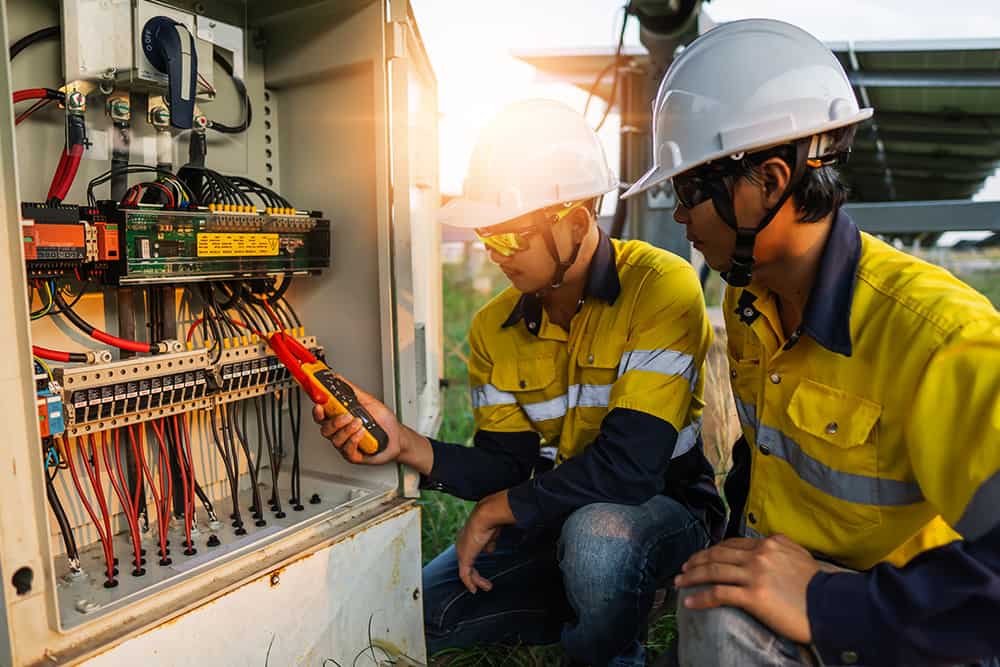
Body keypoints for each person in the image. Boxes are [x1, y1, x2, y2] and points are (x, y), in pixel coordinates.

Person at [621, 18, 1000, 667]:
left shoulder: (938, 337)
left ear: (768, 182)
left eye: (688, 190)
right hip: (799, 581)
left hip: (909, 622)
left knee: (718, 620)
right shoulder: (746, 301)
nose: (680, 215)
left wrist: (829, 604)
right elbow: (760, 457)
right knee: (708, 603)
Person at [313, 99, 725, 666]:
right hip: (553, 514)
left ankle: (610, 644)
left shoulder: (661, 287)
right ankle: (595, 603)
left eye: (512, 237)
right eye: (487, 234)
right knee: (425, 615)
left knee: (598, 540)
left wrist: (494, 510)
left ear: (577, 223)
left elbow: (632, 469)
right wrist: (406, 443)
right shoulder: (493, 327)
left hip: (662, 511)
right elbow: (507, 466)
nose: (494, 254)